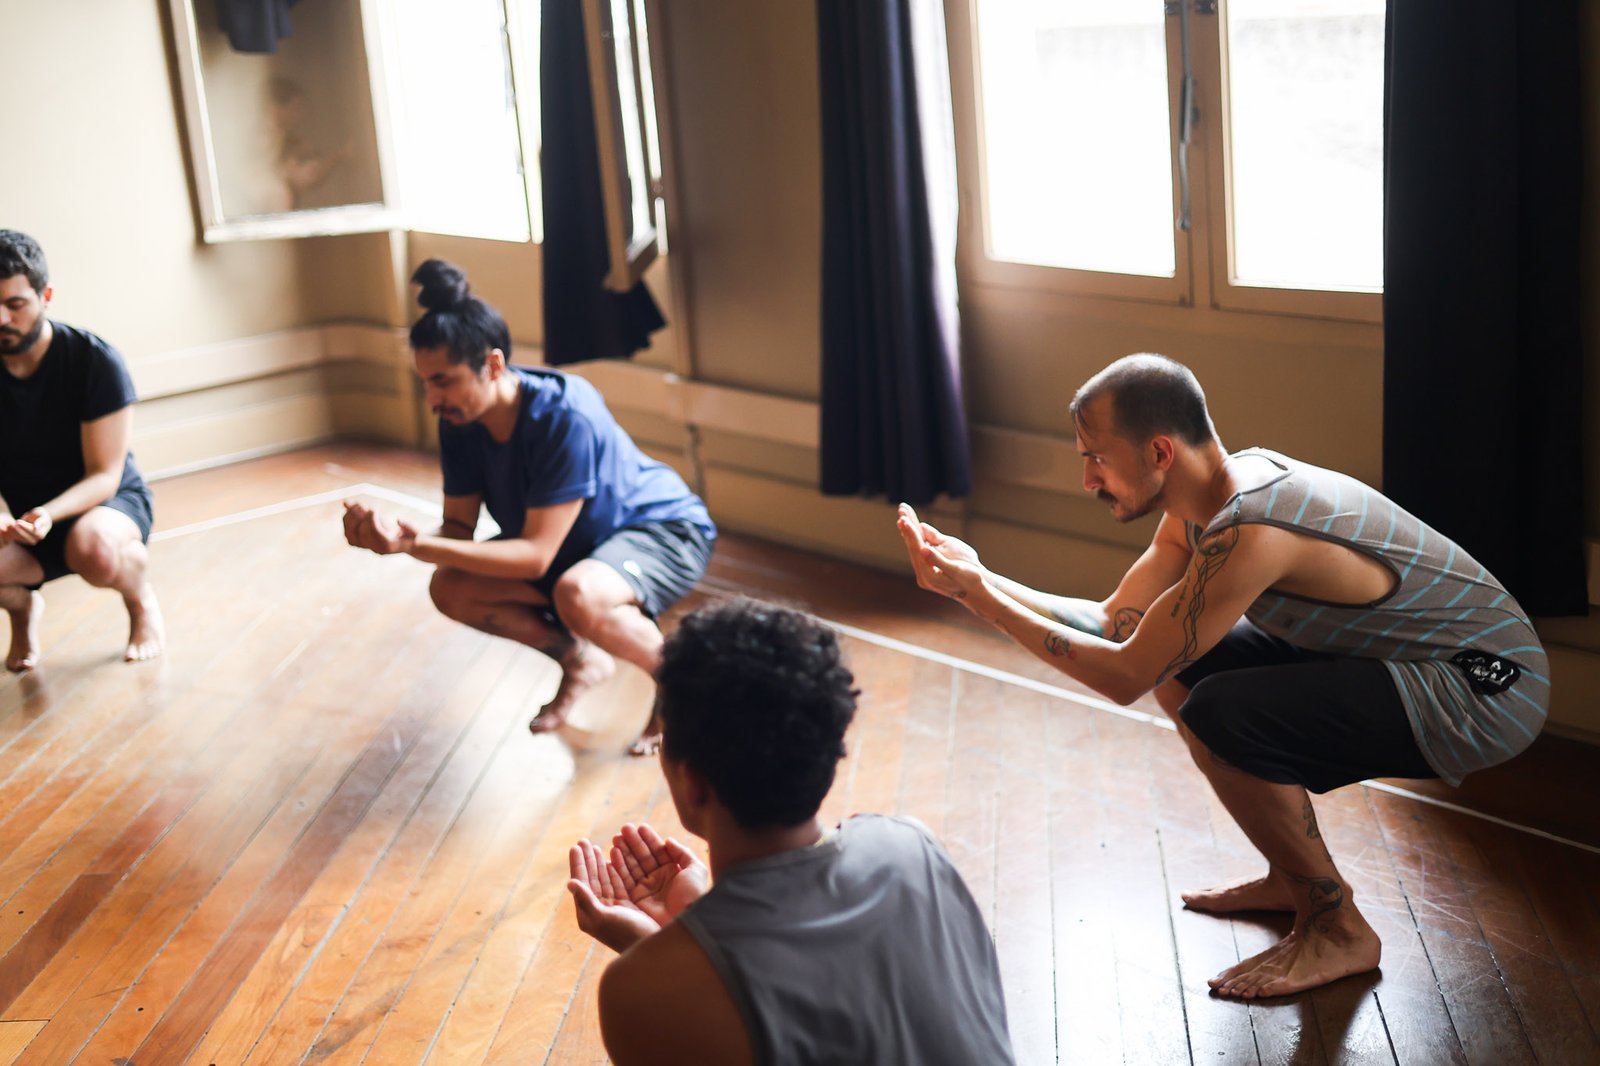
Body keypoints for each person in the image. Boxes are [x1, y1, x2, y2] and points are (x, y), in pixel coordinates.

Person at [898, 352, 1548, 1000]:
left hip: (1486, 688)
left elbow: (1125, 673)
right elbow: (1116, 624)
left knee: (1220, 710)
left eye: (1096, 458)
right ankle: (1293, 872)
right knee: (1182, 665)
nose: (1089, 480)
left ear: (1158, 453)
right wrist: (979, 579)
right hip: (1406, 660)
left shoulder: (1254, 526)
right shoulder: (1200, 503)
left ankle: (1337, 924)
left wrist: (980, 602)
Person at [565, 598, 1016, 1066]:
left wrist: (664, 956)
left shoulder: (637, 990)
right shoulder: (908, 844)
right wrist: (685, 932)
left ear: (694, 783)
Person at [342, 259, 714, 754]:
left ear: (493, 365)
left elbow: (536, 556)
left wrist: (415, 544)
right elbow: (457, 527)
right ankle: (580, 662)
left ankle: (682, 694)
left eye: (445, 380)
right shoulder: (459, 420)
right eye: (426, 382)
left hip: (661, 530)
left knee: (578, 594)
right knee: (452, 588)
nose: (433, 398)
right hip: (577, 545)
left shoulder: (564, 415)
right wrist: (398, 540)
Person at [0, 229, 163, 672]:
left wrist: (49, 514)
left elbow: (104, 475)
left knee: (93, 549)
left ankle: (139, 597)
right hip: (23, 520)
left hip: (104, 503)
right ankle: (22, 609)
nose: (2, 318)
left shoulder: (95, 361)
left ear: (45, 295)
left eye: (15, 304)